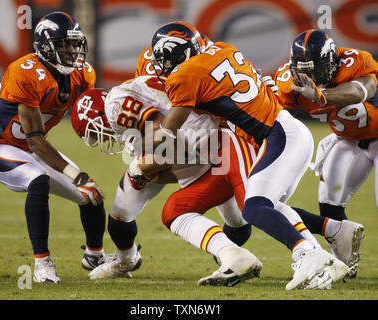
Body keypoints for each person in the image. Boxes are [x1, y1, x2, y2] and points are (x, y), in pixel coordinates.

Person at [127, 21, 351, 290]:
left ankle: (306, 254)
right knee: (268, 206)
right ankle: (326, 258)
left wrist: (135, 135)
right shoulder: (223, 49)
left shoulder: (183, 76)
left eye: (163, 58)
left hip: (278, 136)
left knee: (254, 207)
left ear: (176, 54)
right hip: (286, 130)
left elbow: (167, 133)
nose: (161, 66)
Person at [71, 81, 263, 286]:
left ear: (100, 115)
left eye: (94, 133)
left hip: (198, 140)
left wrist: (145, 169)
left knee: (245, 215)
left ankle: (234, 252)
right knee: (123, 212)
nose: (100, 138)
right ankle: (126, 261)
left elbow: (172, 143)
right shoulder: (136, 95)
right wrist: (150, 170)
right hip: (202, 140)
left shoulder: (115, 106)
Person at [0, 12, 108, 283]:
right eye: (63, 45)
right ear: (45, 46)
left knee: (91, 193)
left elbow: (86, 113)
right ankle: (42, 263)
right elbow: (34, 137)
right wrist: (74, 175)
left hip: (34, 148)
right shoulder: (25, 71)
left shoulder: (84, 73)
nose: (71, 51)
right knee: (39, 179)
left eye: (74, 44)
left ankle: (95, 255)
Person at [274, 29, 374, 274]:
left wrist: (321, 95)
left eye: (316, 71)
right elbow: (278, 116)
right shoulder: (289, 79)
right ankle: (344, 264)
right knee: (329, 200)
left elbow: (362, 91)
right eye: (303, 71)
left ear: (331, 62)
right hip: (348, 140)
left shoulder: (355, 60)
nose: (309, 77)